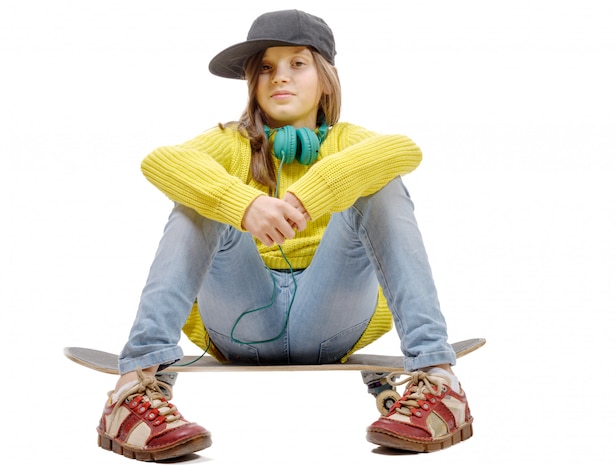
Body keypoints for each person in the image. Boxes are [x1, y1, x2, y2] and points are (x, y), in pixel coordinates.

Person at [96, 9, 474, 461]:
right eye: (267, 69)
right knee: (197, 194)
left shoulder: (347, 140)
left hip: (328, 317)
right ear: (254, 84)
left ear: (326, 80)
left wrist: (321, 189)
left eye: (298, 64)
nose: (281, 78)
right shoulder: (229, 141)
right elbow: (159, 161)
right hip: (239, 319)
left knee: (382, 183)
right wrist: (242, 204)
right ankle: (132, 390)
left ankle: (438, 378)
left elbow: (405, 149)